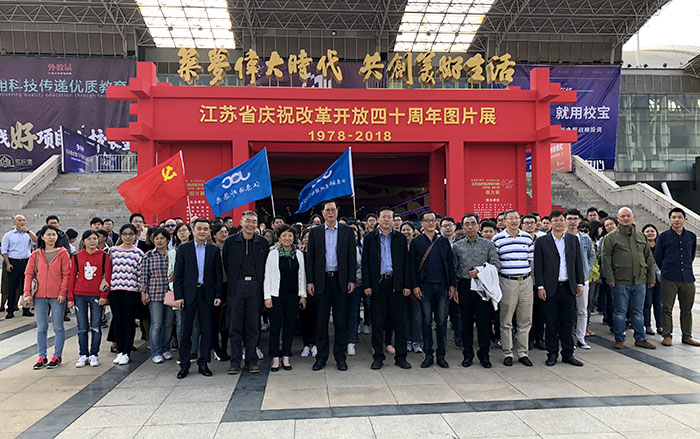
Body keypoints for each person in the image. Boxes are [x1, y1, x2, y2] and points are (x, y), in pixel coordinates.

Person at [306, 199, 357, 372]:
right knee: (321, 322)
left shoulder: (347, 231)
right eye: (327, 210)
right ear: (322, 213)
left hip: (341, 281)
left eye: (333, 210)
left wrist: (351, 280)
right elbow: (310, 259)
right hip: (321, 282)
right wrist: (310, 281)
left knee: (340, 322)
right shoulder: (315, 232)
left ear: (337, 212)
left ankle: (340, 358)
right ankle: (321, 357)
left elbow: (351, 258)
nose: (330, 213)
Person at [362, 207, 412, 370]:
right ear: (378, 219)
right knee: (377, 322)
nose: (386, 220)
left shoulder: (400, 238)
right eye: (383, 217)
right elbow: (365, 263)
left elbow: (406, 263)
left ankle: (401, 357)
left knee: (400, 322)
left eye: (389, 217)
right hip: (378, 284)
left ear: (393, 220)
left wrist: (406, 285)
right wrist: (367, 284)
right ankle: (378, 356)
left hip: (396, 284)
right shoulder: (370, 238)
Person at [533, 210, 585, 367]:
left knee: (567, 322)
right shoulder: (542, 241)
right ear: (550, 223)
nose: (559, 223)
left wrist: (580, 283)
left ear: (565, 222)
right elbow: (538, 266)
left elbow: (578, 263)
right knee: (551, 322)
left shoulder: (573, 239)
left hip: (568, 286)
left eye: (561, 220)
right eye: (555, 220)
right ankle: (552, 353)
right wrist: (540, 286)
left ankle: (568, 353)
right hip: (550, 288)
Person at [173, 218, 223, 379]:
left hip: (207, 294)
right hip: (188, 294)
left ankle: (204, 363)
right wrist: (178, 296)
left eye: (205, 229)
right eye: (199, 228)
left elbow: (218, 275)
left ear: (209, 232)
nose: (202, 231)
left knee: (207, 330)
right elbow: (178, 275)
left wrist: (218, 295)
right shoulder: (183, 249)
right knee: (186, 331)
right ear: (193, 231)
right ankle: (184, 364)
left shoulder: (214, 250)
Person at [601, 207, 656, 350]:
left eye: (628, 216)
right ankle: (619, 338)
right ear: (618, 219)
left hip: (640, 280)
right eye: (622, 216)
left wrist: (651, 278)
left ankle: (640, 338)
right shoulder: (611, 237)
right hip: (620, 280)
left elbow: (649, 258)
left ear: (632, 217)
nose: (625, 218)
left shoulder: (641, 236)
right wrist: (610, 278)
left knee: (638, 312)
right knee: (620, 311)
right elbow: (606, 258)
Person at [410, 210, 457, 369]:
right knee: (426, 321)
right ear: (421, 223)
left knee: (442, 322)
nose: (431, 223)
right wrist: (414, 285)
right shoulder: (416, 242)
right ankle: (428, 354)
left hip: (443, 286)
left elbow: (450, 264)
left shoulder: (443, 241)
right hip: (424, 287)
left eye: (433, 220)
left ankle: (441, 355)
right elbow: (412, 267)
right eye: (427, 220)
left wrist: (452, 285)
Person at [224, 211, 269, 374]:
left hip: (256, 286)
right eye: (248, 221)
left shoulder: (262, 242)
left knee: (253, 325)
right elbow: (226, 264)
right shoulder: (231, 242)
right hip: (237, 286)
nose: (251, 224)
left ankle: (251, 360)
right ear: (241, 222)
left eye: (254, 221)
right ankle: (235, 362)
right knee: (235, 326)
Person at [453, 213, 500, 369]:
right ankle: (467, 355)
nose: (470, 227)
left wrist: (480, 271)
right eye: (467, 224)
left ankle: (484, 355)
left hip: (483, 286)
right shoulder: (457, 246)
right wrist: (455, 289)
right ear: (463, 227)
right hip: (465, 286)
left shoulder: (488, 245)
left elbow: (496, 265)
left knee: (483, 323)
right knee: (466, 323)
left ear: (479, 226)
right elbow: (454, 269)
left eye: (473, 223)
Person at [23, 225, 71, 369]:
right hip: (39, 296)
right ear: (42, 237)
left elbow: (66, 275)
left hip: (57, 296)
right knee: (41, 327)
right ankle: (42, 356)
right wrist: (27, 293)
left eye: (54, 234)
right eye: (48, 234)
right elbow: (28, 274)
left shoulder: (63, 253)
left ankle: (57, 355)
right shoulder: (36, 254)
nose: (51, 237)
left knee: (58, 326)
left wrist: (62, 293)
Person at [492, 209, 534, 367]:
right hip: (507, 282)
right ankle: (507, 352)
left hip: (526, 281)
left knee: (525, 319)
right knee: (506, 320)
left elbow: (529, 261)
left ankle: (523, 353)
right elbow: (495, 262)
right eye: (511, 218)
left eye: (516, 218)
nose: (514, 221)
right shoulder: (497, 239)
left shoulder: (527, 237)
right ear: (504, 221)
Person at [264, 225, 307, 371]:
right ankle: (275, 358)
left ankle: (286, 357)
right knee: (275, 328)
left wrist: (303, 295)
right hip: (276, 296)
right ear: (279, 237)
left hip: (293, 296)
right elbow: (267, 276)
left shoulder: (298, 254)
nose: (287, 238)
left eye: (290, 236)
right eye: (284, 236)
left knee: (289, 327)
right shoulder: (273, 254)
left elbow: (302, 275)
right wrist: (267, 296)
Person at [655, 207, 700, 347]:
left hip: (687, 278)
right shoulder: (663, 237)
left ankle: (687, 336)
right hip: (669, 277)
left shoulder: (691, 236)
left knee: (687, 309)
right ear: (670, 219)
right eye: (673, 217)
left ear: (685, 219)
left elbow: (691, 255)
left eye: (679, 217)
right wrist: (667, 269)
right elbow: (658, 257)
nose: (676, 220)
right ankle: (667, 335)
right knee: (666, 308)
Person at [68, 230, 111, 367]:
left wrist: (104, 295)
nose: (92, 241)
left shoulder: (104, 256)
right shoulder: (77, 257)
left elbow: (107, 277)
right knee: (82, 327)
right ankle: (83, 354)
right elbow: (71, 277)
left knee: (96, 326)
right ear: (83, 241)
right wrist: (70, 297)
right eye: (89, 239)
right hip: (79, 294)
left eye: (95, 238)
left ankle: (94, 354)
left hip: (96, 295)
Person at [109, 224, 145, 365]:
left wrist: (142, 292)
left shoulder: (139, 253)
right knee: (118, 320)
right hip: (115, 291)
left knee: (129, 321)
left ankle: (127, 352)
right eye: (125, 234)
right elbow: (108, 270)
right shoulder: (113, 251)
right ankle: (120, 350)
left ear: (136, 236)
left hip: (132, 292)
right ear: (120, 235)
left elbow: (141, 275)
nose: (128, 237)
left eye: (131, 234)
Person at [140, 227, 174, 364]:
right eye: (156, 238)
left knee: (168, 324)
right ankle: (156, 352)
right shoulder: (149, 255)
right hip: (155, 294)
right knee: (156, 324)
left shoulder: (172, 254)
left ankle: (166, 349)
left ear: (167, 240)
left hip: (170, 293)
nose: (159, 241)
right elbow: (144, 275)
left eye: (162, 238)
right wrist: (143, 292)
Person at [565, 209, 595, 350]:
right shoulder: (562, 237)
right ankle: (567, 338)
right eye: (569, 218)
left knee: (582, 310)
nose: (572, 221)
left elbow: (591, 255)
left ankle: (581, 337)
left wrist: (587, 270)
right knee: (568, 310)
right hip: (566, 279)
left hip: (583, 279)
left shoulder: (585, 238)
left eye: (575, 218)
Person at [167, 223, 194, 359]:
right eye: (180, 231)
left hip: (194, 289)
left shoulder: (197, 248)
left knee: (195, 323)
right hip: (178, 290)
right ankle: (183, 350)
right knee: (180, 322)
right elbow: (171, 273)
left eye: (185, 230)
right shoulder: (172, 252)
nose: (182, 233)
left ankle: (193, 349)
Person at [2, 215, 38, 318]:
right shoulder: (8, 235)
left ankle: (26, 309)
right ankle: (10, 309)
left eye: (23, 220)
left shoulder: (28, 234)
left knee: (27, 286)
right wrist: (8, 263)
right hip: (13, 262)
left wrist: (28, 231)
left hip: (26, 262)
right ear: (15, 222)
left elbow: (37, 241)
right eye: (19, 220)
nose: (22, 222)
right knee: (12, 286)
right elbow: (4, 250)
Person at [440, 216, 462, 350]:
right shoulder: (437, 242)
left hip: (458, 281)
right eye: (445, 226)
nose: (448, 228)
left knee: (458, 312)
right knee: (442, 314)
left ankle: (459, 338)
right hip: (442, 282)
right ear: (440, 228)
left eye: (450, 225)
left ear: (454, 227)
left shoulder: (461, 243)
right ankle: (442, 341)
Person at [401, 222, 422, 354]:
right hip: (402, 286)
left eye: (408, 230)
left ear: (414, 231)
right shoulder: (398, 245)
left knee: (416, 315)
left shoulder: (418, 245)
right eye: (403, 230)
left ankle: (416, 341)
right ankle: (407, 340)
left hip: (416, 286)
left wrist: (415, 285)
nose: (406, 232)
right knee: (404, 316)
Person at [211, 223, 230, 361]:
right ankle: (216, 349)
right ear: (214, 235)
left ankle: (224, 348)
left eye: (225, 231)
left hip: (228, 287)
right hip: (214, 288)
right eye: (221, 232)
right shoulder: (211, 249)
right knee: (215, 321)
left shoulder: (230, 248)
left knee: (226, 321)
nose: (224, 234)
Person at [641, 224, 662, 336]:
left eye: (652, 231)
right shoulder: (641, 246)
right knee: (647, 303)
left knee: (659, 303)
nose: (650, 233)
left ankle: (660, 325)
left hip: (660, 279)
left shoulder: (661, 246)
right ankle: (648, 326)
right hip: (646, 279)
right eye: (647, 231)